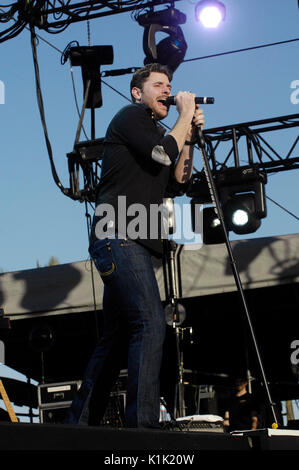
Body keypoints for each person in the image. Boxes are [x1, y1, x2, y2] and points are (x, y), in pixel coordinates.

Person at [65, 63, 205, 429]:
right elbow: (162, 154)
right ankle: (142, 429)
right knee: (150, 323)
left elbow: (179, 181)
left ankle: (76, 428)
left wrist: (188, 133)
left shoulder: (159, 133)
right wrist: (186, 113)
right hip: (119, 236)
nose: (167, 89)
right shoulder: (129, 117)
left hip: (137, 243)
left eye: (170, 85)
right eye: (158, 84)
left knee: (115, 339)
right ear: (136, 92)